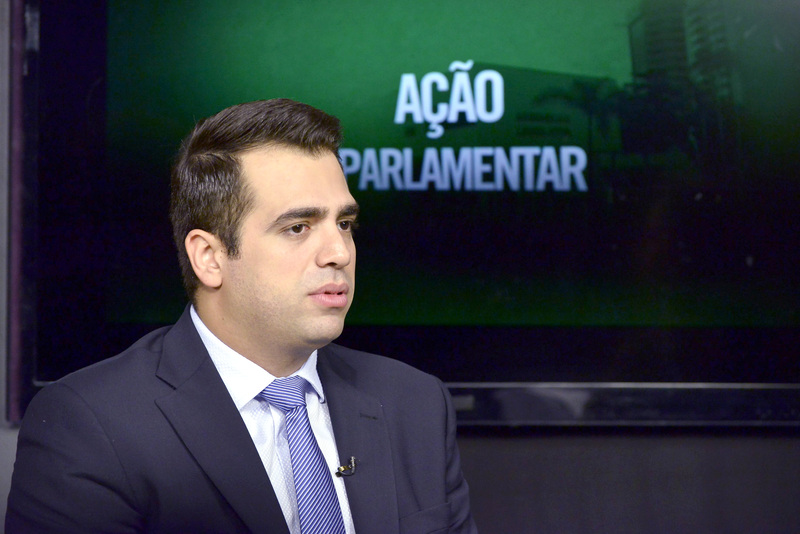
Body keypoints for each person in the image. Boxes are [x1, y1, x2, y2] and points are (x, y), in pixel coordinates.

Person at [6, 99, 477, 533]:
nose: (339, 252)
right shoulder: (90, 426)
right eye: (298, 227)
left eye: (344, 223)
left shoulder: (414, 404)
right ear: (209, 258)